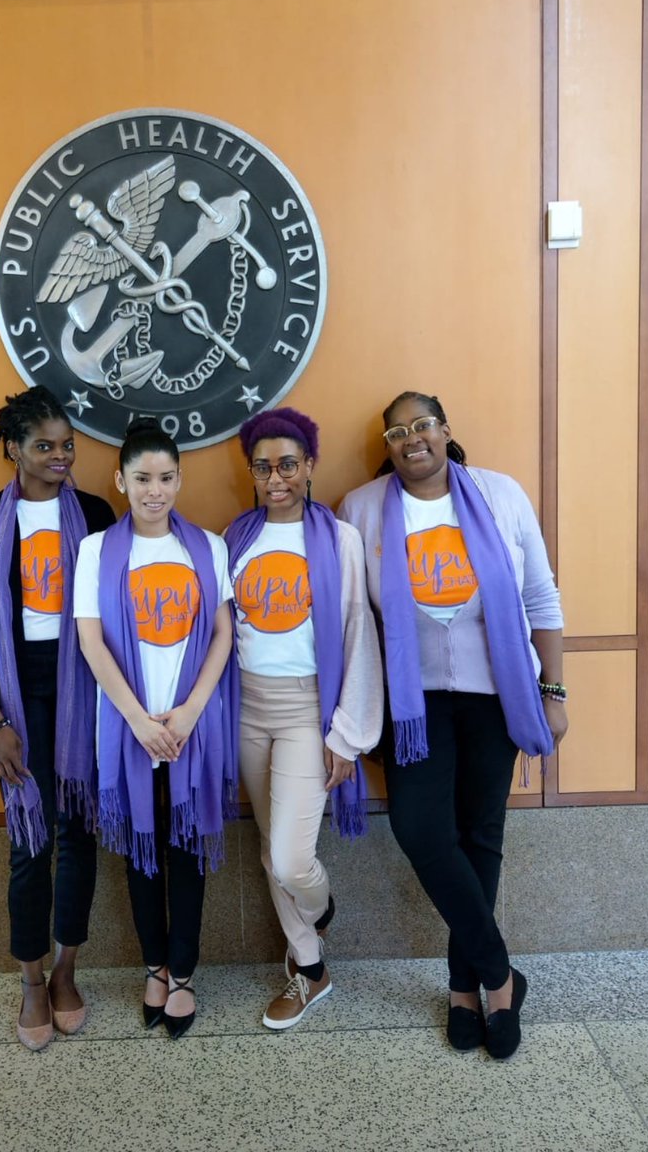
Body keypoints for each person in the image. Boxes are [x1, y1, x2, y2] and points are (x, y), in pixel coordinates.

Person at [338, 391, 568, 1060]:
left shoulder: (499, 495)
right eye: (396, 432)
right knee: (421, 829)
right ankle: (501, 973)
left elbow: (539, 596)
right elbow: (356, 622)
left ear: (444, 431)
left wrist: (551, 691)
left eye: (422, 425)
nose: (411, 439)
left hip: (496, 694)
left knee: (480, 836)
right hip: (414, 706)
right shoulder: (360, 508)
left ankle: (464, 989)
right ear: (386, 446)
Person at [0, 385, 114, 1052]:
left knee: (77, 836)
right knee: (30, 846)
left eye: (66, 444)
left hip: (85, 690)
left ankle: (67, 971)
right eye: (43, 445)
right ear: (13, 449)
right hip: (18, 696)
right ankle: (29, 980)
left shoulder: (99, 514)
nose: (58, 455)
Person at [72, 418, 236, 1039]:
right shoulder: (97, 551)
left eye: (166, 477)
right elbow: (91, 641)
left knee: (185, 846)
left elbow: (223, 632)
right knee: (142, 850)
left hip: (193, 724)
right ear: (120, 480)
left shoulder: (208, 547)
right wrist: (138, 720)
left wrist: (191, 708)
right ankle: (155, 967)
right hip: (130, 726)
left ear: (179, 479)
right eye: (142, 478)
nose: (154, 491)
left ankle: (186, 973)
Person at [224, 408, 382, 1030]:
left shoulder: (337, 540)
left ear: (310, 466)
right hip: (245, 709)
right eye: (263, 467)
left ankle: (317, 909)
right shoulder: (234, 538)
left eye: (288, 464)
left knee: (292, 860)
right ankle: (311, 972)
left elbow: (357, 635)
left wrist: (347, 735)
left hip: (306, 711)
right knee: (270, 849)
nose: (276, 478)